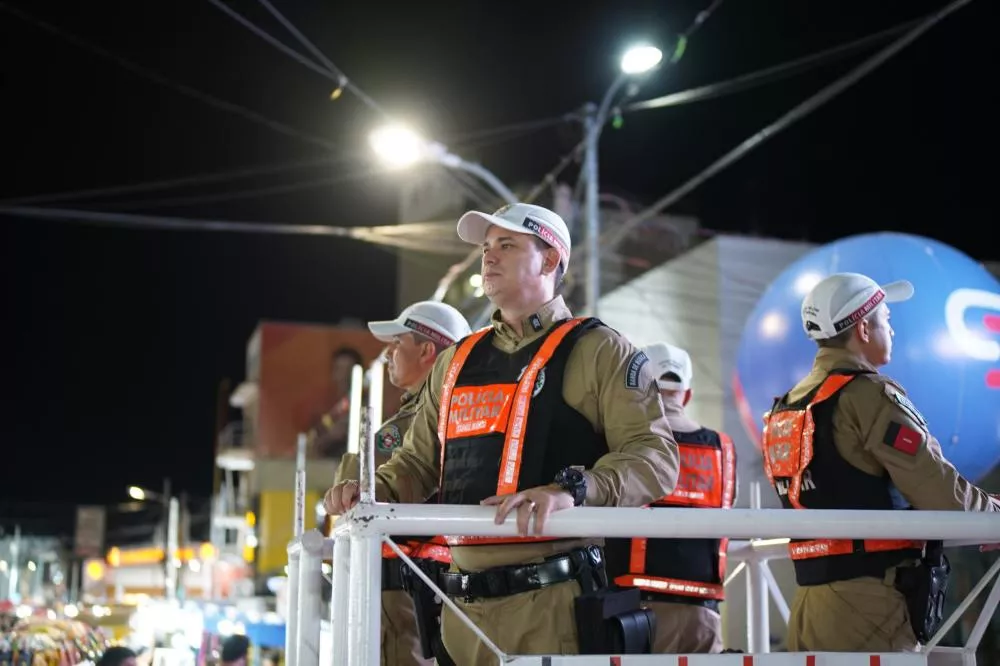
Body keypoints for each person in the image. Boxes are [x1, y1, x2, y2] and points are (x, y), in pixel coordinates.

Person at [325, 202, 679, 665]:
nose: (488, 257)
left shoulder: (599, 349)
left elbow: (656, 457)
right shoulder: (456, 361)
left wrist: (571, 490)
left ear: (550, 260)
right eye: (486, 247)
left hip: (552, 606)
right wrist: (368, 490)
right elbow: (416, 464)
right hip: (459, 612)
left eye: (507, 245)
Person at [760, 272, 1000, 652]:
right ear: (864, 329)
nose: (892, 329)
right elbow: (935, 486)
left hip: (810, 601)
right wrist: (990, 515)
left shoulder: (786, 404)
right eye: (886, 318)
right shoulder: (867, 396)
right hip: (868, 606)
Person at [332, 300, 472, 666]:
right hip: (400, 580)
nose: (389, 352)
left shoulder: (433, 415)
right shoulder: (417, 412)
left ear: (428, 350)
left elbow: (365, 481)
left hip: (409, 584)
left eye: (398, 343)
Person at [607, 341, 735, 654]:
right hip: (704, 613)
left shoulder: (626, 444)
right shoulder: (723, 448)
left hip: (636, 613)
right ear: (687, 394)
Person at [310, 346, 365, 457]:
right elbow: (311, 447)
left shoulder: (370, 407)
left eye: (349, 370)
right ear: (333, 372)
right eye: (340, 369)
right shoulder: (324, 409)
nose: (344, 376)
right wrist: (329, 437)